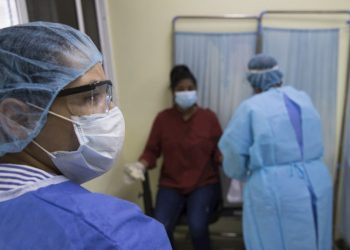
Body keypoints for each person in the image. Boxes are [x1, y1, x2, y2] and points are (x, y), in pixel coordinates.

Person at [0, 22, 171, 250]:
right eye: (91, 97)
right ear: (18, 118)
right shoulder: (111, 234)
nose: (110, 111)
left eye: (106, 94)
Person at [219, 53, 333, 250]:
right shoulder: (303, 99)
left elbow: (233, 152)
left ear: (253, 83)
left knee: (273, 241)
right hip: (318, 182)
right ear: (279, 76)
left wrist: (242, 172)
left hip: (275, 190)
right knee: (315, 238)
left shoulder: (251, 107)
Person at [124, 65, 222, 250]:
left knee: (197, 226)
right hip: (171, 184)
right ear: (173, 92)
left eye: (190, 88)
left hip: (203, 183)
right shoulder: (163, 119)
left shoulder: (209, 118)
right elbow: (151, 150)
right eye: (181, 89)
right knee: (160, 226)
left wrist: (232, 160)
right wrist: (140, 166)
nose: (186, 92)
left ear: (196, 90)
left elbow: (220, 151)